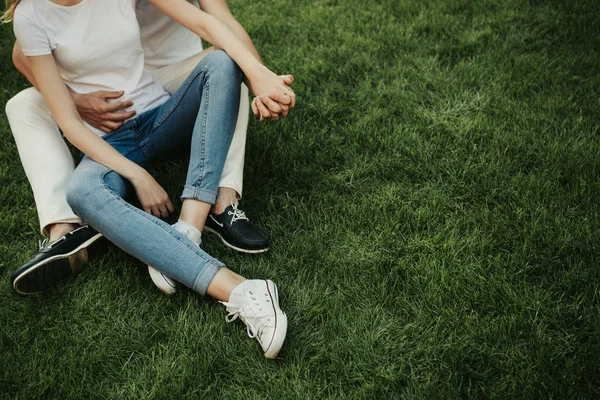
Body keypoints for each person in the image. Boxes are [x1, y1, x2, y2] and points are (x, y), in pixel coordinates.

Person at [4, 0, 296, 358]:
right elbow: (68, 122)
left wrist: (259, 74)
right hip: (110, 142)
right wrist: (137, 175)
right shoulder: (31, 15)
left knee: (220, 62)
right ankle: (240, 290)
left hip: (159, 113)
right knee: (81, 191)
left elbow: (208, 23)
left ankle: (189, 228)